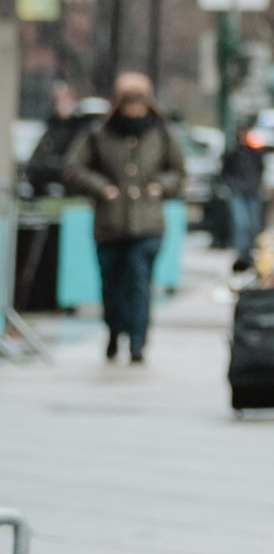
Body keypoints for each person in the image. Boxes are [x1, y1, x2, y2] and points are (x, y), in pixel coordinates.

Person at [62, 73, 187, 368]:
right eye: (128, 104)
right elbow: (73, 168)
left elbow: (179, 171)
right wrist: (102, 187)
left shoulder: (161, 133)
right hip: (110, 223)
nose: (134, 110)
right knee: (112, 284)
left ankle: (138, 341)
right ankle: (114, 330)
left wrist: (161, 185)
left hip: (147, 224)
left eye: (139, 103)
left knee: (139, 283)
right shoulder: (98, 133)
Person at [216, 122, 269, 271]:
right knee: (241, 224)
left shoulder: (254, 153)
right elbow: (224, 173)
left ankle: (251, 254)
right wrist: (231, 186)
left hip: (252, 193)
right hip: (238, 192)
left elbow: (260, 170)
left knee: (253, 225)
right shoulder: (232, 154)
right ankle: (242, 256)